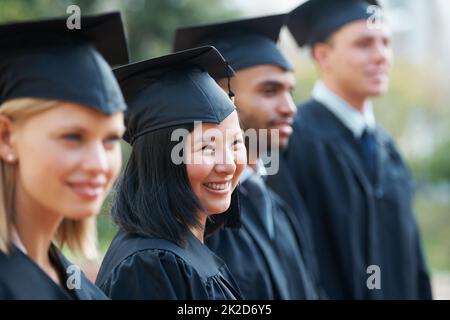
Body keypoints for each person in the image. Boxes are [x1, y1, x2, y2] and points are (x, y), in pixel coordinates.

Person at [284, 0, 432, 299]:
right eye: (364, 44)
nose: (381, 57)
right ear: (323, 56)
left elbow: (413, 259)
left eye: (386, 43)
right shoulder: (292, 140)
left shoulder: (388, 148)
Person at [174, 14, 321, 299]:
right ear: (218, 96)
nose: (290, 107)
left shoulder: (277, 208)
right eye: (270, 91)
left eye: (290, 91)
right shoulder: (199, 218)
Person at [95, 46, 246, 300]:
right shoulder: (150, 265)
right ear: (162, 160)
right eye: (206, 147)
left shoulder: (181, 249)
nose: (228, 164)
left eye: (235, 143)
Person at [0, 12, 129, 299]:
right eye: (73, 137)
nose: (99, 165)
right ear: (6, 137)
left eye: (110, 140)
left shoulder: (78, 286)